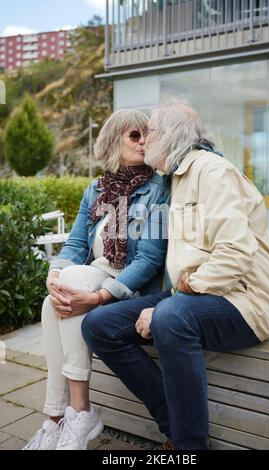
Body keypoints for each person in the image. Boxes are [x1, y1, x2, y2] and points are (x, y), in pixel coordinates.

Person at [81, 102, 269, 450]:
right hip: (194, 295)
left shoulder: (213, 172)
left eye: (151, 131)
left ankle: (190, 446)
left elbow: (234, 255)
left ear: (170, 137)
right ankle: (174, 426)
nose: (144, 139)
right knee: (99, 326)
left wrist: (172, 301)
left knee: (171, 318)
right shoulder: (173, 179)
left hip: (244, 300)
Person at [23, 109, 168, 450]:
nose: (143, 140)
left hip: (130, 288)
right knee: (52, 300)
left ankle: (80, 411)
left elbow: (149, 260)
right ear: (113, 140)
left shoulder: (158, 189)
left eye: (146, 133)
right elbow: (75, 244)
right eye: (135, 135)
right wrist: (54, 274)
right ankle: (59, 418)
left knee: (71, 287)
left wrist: (100, 297)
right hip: (93, 274)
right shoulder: (96, 189)